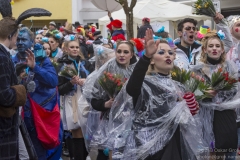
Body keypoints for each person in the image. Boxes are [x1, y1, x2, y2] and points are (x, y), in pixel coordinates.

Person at [120, 29, 206, 160]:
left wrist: (189, 108)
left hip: (174, 142)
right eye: (161, 52)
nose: (168, 55)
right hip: (150, 145)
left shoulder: (177, 85)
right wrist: (146, 57)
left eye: (171, 53)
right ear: (152, 60)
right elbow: (132, 89)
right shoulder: (145, 82)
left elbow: (181, 113)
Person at [12, 27, 63, 160]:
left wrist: (35, 67)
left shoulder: (41, 59)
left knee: (38, 154)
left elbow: (53, 81)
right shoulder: (11, 60)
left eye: (24, 39)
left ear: (32, 42)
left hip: (38, 117)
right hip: (16, 116)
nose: (20, 42)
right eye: (18, 39)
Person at [83, 40, 137, 160]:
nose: (122, 55)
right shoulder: (106, 72)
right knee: (113, 154)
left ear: (131, 55)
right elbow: (93, 99)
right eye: (119, 51)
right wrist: (105, 104)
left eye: (126, 52)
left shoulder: (136, 71)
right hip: (111, 122)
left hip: (132, 122)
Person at [191, 31, 239, 160]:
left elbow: (235, 90)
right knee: (209, 149)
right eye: (211, 46)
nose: (214, 49)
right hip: (205, 113)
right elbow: (190, 92)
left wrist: (221, 90)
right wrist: (204, 94)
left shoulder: (229, 67)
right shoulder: (196, 69)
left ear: (222, 50)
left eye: (217, 46)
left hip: (225, 113)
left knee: (227, 147)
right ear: (205, 49)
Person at [57, 37, 94, 160]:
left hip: (85, 100)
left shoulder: (85, 63)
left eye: (77, 47)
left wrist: (85, 81)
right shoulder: (62, 65)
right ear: (66, 49)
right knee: (77, 132)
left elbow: (94, 80)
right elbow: (59, 89)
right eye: (72, 47)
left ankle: (84, 156)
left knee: (85, 133)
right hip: (70, 101)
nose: (75, 49)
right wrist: (71, 83)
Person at [0, 12, 27, 160]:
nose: (17, 41)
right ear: (10, 35)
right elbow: (4, 95)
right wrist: (22, 90)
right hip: (4, 127)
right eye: (16, 36)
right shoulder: (2, 57)